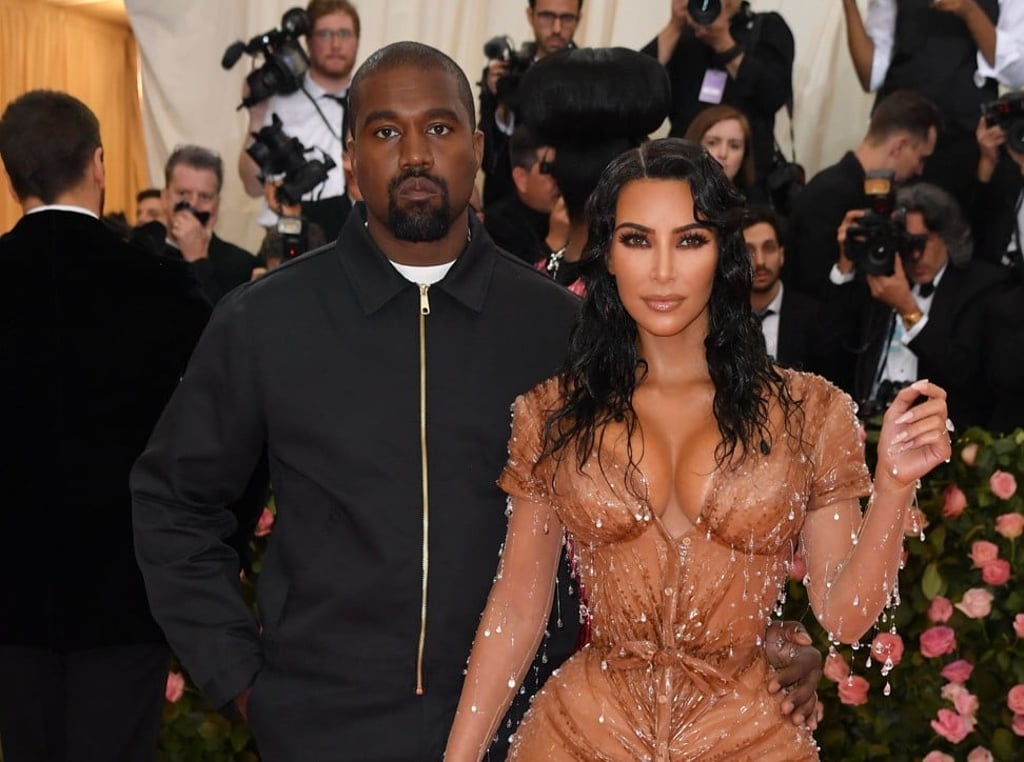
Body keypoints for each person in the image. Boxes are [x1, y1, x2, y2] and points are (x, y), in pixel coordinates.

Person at [132, 43, 820, 762]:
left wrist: (762, 640)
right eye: (386, 131)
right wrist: (246, 683)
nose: (417, 154)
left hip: (532, 730)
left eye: (439, 128)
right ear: (350, 158)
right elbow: (175, 506)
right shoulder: (265, 322)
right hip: (325, 730)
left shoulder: (566, 329)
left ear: (478, 147)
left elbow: (669, 517)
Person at [444, 137, 952, 762]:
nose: (662, 271)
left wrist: (896, 486)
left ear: (724, 252)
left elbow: (844, 616)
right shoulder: (553, 415)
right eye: (636, 240)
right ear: (606, 254)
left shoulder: (810, 414)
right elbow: (518, 608)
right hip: (579, 737)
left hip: (751, 741)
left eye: (689, 240)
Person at [0, 90, 210, 762]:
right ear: (98, 163)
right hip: (127, 591)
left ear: (11, 175)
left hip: (10, 594)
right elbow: (213, 440)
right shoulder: (160, 286)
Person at [831, 182, 1009, 428]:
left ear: (946, 237)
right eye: (904, 244)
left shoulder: (981, 288)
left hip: (939, 436)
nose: (913, 256)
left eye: (919, 243)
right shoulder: (881, 276)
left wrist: (908, 309)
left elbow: (969, 375)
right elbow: (830, 350)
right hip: (868, 427)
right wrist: (846, 265)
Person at [840, 0, 1024, 211]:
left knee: (956, 228)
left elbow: (1016, 72)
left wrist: (969, 10)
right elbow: (871, 75)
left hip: (964, 136)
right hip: (901, 141)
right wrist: (849, 5)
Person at [784, 89, 940, 299]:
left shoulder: (874, 197)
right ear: (899, 147)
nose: (920, 170)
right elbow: (810, 288)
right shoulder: (829, 196)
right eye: (921, 158)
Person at [238, 0, 360, 241]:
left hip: (354, 237)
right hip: (287, 233)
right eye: (325, 34)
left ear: (357, 40)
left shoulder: (372, 98)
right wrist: (257, 116)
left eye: (344, 34)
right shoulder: (277, 98)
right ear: (308, 41)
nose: (335, 44)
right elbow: (252, 187)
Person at [642, 0, 794, 188]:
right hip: (682, 172)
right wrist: (675, 25)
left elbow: (773, 94)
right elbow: (637, 90)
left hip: (746, 178)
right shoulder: (684, 36)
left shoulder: (766, 28)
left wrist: (724, 43)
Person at [478, 0, 583, 207]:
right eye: (547, 16)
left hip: (569, 206)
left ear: (578, 19)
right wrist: (501, 107)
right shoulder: (507, 73)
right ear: (530, 15)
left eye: (567, 18)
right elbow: (486, 158)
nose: (556, 28)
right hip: (505, 211)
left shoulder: (590, 74)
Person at [162, 144, 258, 304]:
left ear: (217, 205)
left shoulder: (243, 266)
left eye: (204, 197)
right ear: (165, 198)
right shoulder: (140, 254)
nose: (193, 204)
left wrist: (198, 260)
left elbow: (225, 325)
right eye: (183, 194)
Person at [742, 206, 832, 374]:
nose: (760, 261)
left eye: (769, 248)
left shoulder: (813, 317)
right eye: (749, 251)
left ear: (781, 254)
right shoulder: (724, 320)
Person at [482, 125, 569, 265]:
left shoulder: (575, 209)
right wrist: (553, 242)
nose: (558, 178)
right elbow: (514, 282)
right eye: (548, 169)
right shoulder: (496, 228)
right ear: (521, 178)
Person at [684, 103, 760, 201]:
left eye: (734, 146)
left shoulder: (755, 210)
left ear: (745, 155)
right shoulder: (672, 199)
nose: (723, 154)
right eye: (712, 143)